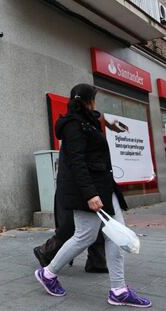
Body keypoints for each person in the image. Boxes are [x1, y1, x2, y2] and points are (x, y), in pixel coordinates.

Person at [34, 83, 152, 308]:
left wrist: (110, 123)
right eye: (94, 99)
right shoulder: (73, 126)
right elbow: (76, 162)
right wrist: (90, 194)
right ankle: (48, 274)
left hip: (103, 187)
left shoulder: (87, 121)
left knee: (115, 235)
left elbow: (95, 123)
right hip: (89, 191)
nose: (96, 103)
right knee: (84, 236)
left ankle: (118, 289)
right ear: (87, 100)